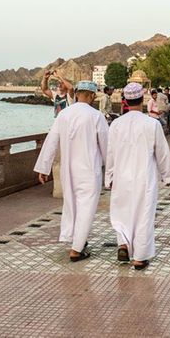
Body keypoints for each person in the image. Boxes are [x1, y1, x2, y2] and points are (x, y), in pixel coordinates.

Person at [34, 81, 109, 262]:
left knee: (71, 206)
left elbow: (51, 141)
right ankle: (76, 250)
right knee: (86, 208)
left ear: (76, 94)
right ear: (91, 96)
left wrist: (44, 168)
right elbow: (108, 146)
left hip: (68, 171)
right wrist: (112, 171)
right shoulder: (96, 116)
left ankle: (76, 240)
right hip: (89, 171)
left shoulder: (64, 115)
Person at [105, 83, 170, 270]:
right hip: (144, 178)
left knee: (122, 213)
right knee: (144, 215)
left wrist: (108, 177)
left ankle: (123, 244)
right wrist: (167, 176)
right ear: (142, 99)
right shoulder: (152, 124)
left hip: (121, 178)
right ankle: (140, 257)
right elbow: (162, 152)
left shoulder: (116, 124)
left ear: (125, 100)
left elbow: (109, 154)